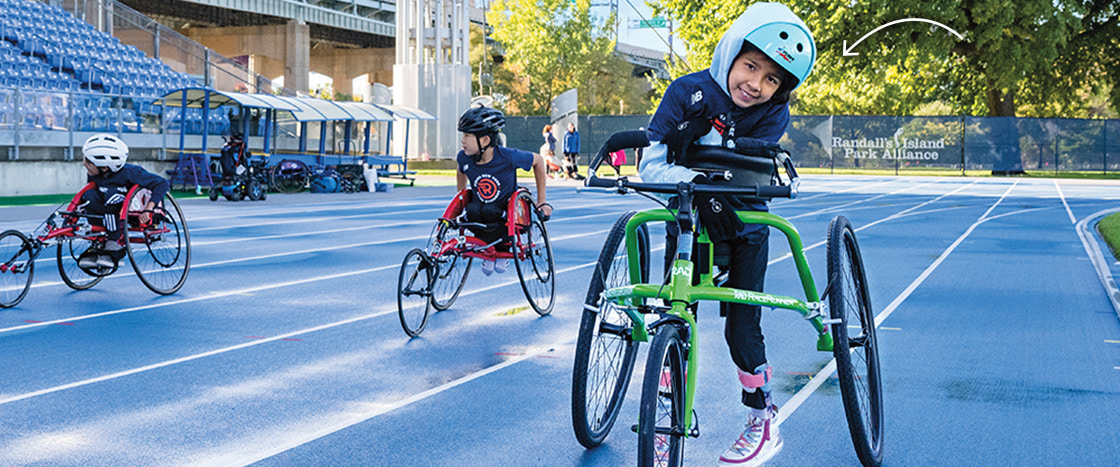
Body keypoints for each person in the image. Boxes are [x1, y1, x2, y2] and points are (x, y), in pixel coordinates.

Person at [636, 3, 816, 466]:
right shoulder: (686, 91)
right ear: (731, 52)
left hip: (747, 223)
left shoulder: (772, 115)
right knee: (676, 313)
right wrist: (696, 179)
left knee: (742, 327)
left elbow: (751, 176)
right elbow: (650, 164)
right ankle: (665, 416)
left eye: (772, 79)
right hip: (690, 217)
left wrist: (704, 167)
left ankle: (761, 418)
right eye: (751, 66)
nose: (756, 85)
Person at [456, 106, 553, 276]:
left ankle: (501, 246)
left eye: (467, 136)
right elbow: (461, 169)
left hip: (506, 218)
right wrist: (460, 195)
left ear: (485, 140)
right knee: (472, 209)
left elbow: (538, 161)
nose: (462, 140)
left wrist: (541, 201)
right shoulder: (463, 158)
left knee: (491, 210)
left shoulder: (508, 157)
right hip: (479, 216)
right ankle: (487, 245)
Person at [77, 134, 171, 269]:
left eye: (88, 162)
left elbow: (161, 183)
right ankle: (98, 239)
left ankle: (113, 243)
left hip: (130, 209)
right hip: (107, 210)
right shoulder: (95, 174)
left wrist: (149, 208)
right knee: (89, 194)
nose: (83, 164)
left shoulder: (131, 172)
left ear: (104, 167)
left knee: (112, 194)